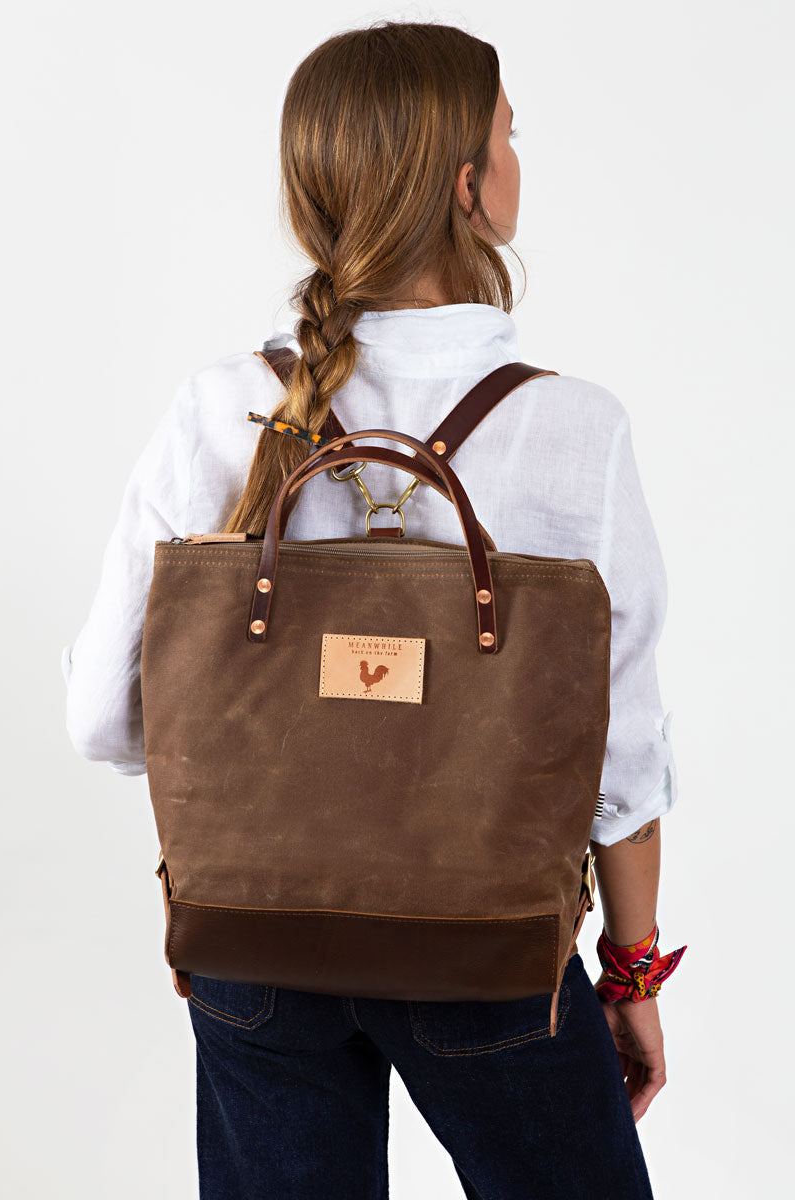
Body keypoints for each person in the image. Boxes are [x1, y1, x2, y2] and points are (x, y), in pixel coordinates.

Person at [61, 20, 684, 1200]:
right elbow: (622, 756)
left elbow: (103, 718)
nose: (517, 156)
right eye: (509, 135)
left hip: (255, 946)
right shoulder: (573, 430)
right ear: (466, 185)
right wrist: (630, 971)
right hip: (490, 953)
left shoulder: (214, 409)